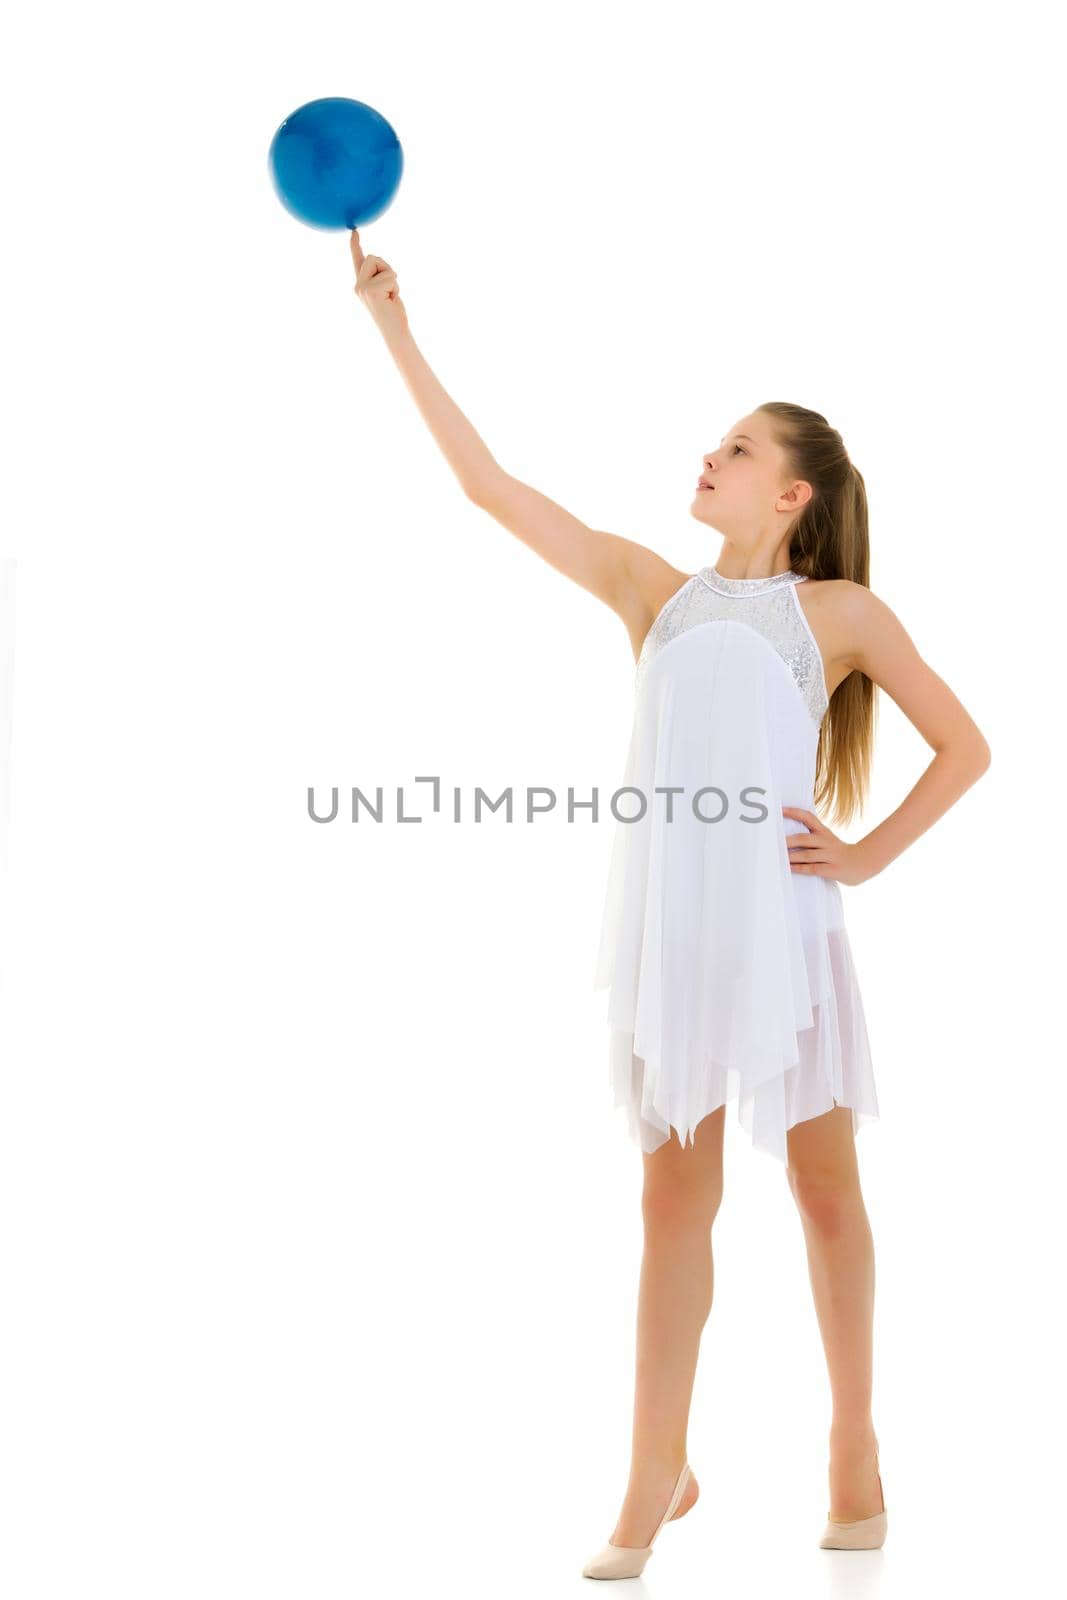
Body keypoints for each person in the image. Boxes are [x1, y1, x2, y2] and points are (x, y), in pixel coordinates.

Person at [347, 230, 991, 1573]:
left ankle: (854, 1449)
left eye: (740, 450)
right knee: (668, 1205)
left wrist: (864, 862)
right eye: (719, 444)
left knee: (824, 1190)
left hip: (787, 937)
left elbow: (967, 746)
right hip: (677, 940)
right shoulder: (655, 591)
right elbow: (489, 490)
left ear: (795, 495)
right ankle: (655, 1477)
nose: (713, 458)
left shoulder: (842, 613)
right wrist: (397, 331)